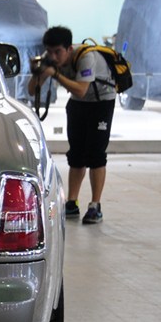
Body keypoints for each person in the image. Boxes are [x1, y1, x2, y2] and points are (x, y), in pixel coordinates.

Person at [28, 26, 116, 224]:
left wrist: (55, 75)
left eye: (57, 52)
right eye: (49, 51)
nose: (53, 56)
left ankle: (95, 205)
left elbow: (81, 89)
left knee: (96, 154)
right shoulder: (50, 58)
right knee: (76, 154)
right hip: (78, 104)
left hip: (101, 103)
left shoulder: (86, 58)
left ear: (69, 49)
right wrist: (37, 73)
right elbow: (32, 90)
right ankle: (72, 202)